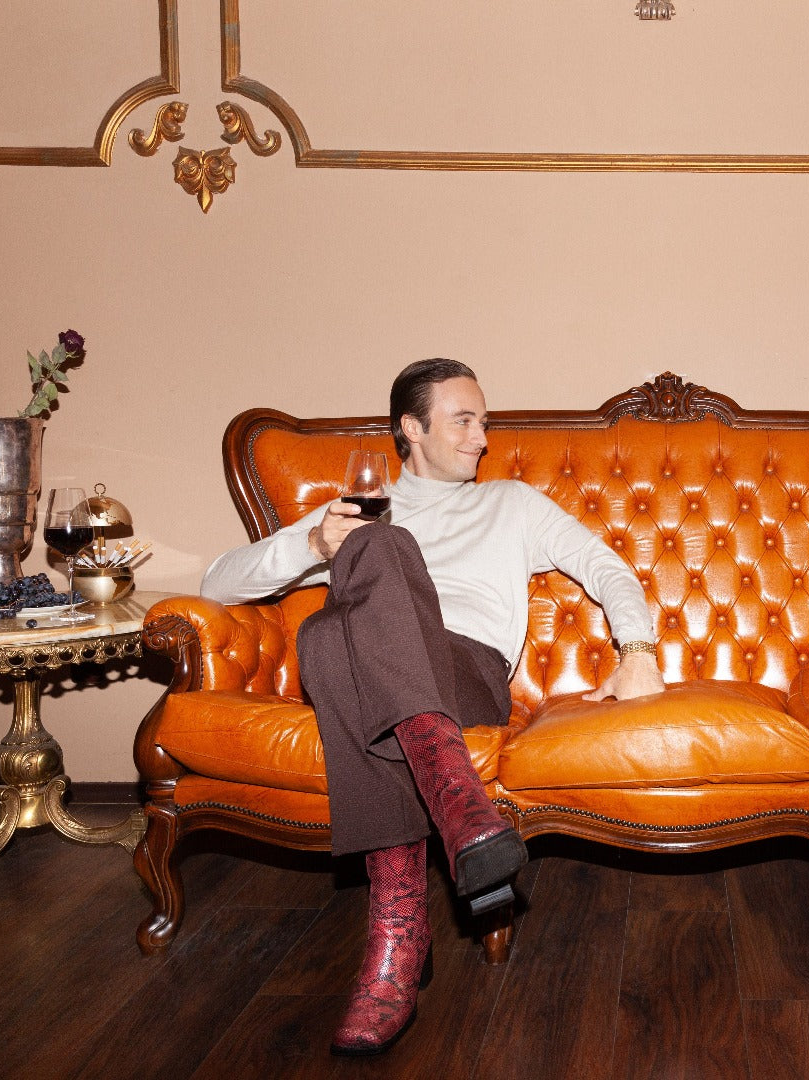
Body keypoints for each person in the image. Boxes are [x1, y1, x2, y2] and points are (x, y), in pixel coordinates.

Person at [202, 359, 664, 1056]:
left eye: (484, 422)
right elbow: (216, 582)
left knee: (341, 616)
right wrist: (314, 543)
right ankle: (444, 847)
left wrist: (637, 650)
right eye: (464, 421)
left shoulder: (510, 503)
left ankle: (400, 931)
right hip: (382, 682)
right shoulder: (356, 514)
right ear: (411, 429)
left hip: (468, 673)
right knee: (328, 629)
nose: (482, 438)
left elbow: (607, 566)